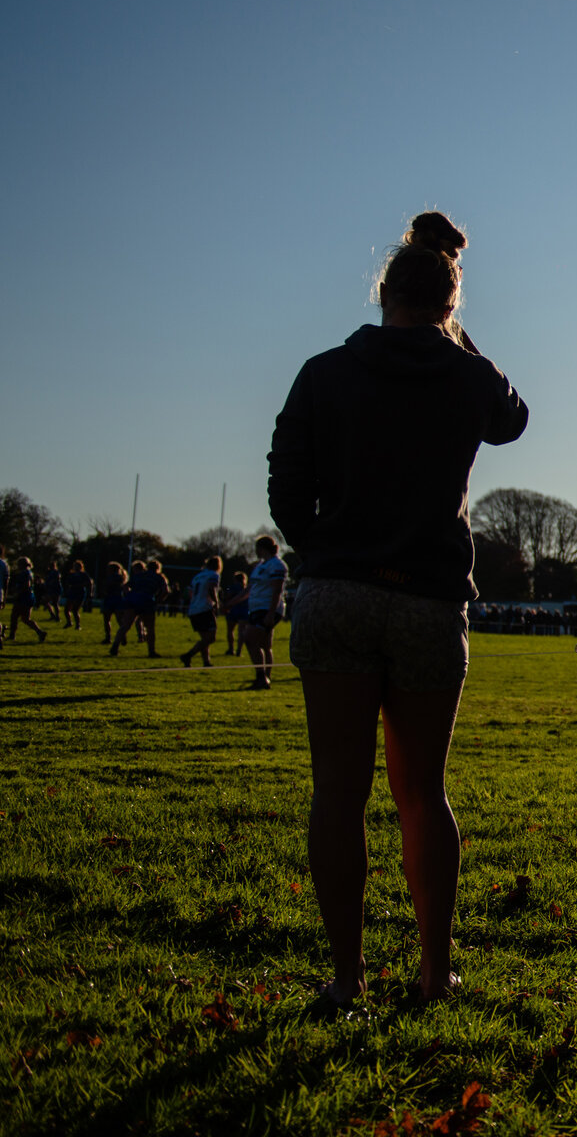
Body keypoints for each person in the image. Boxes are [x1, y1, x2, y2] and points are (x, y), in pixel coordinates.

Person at [268, 209, 530, 1008]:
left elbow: (285, 483)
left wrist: (324, 548)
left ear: (383, 291)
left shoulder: (324, 371)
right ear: (450, 302)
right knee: (424, 793)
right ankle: (431, 970)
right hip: (426, 598)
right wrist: (462, 334)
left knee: (337, 794)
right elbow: (514, 419)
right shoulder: (468, 376)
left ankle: (345, 979)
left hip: (337, 590)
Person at [245, 536, 290, 689]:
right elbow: (250, 589)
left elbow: (277, 590)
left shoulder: (277, 565)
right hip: (257, 608)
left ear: (262, 548)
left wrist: (271, 613)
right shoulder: (260, 566)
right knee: (264, 645)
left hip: (267, 608)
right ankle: (265, 678)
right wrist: (230, 603)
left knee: (250, 639)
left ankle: (261, 677)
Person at [113, 558, 165, 657]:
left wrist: (129, 595)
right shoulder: (159, 577)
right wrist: (157, 600)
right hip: (147, 601)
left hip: (132, 600)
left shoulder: (139, 575)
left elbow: (125, 586)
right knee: (150, 628)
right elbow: (165, 591)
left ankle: (115, 646)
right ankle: (151, 651)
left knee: (126, 625)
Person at [181, 555, 222, 667]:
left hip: (194, 609)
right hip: (205, 608)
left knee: (205, 638)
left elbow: (189, 592)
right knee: (211, 638)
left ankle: (206, 661)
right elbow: (211, 588)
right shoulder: (214, 575)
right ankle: (188, 655)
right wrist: (216, 602)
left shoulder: (197, 576)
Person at [7, 556, 48, 643]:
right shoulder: (29, 572)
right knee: (25, 619)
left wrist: (18, 593)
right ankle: (40, 632)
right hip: (29, 596)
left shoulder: (24, 573)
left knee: (14, 616)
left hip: (23, 597)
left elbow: (26, 585)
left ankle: (12, 635)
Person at [220, 570, 249, 657]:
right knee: (241, 631)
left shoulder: (232, 587)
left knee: (230, 630)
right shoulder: (246, 588)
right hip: (244, 610)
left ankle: (231, 648)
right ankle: (239, 650)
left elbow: (228, 596)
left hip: (233, 609)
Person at [60, 558, 91, 631]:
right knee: (66, 609)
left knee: (75, 610)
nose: (76, 567)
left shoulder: (83, 574)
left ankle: (78, 625)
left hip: (80, 592)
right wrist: (67, 590)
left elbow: (88, 583)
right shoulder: (71, 574)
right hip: (72, 592)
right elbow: (67, 582)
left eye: (78, 566)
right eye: (75, 566)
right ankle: (69, 622)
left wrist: (89, 592)